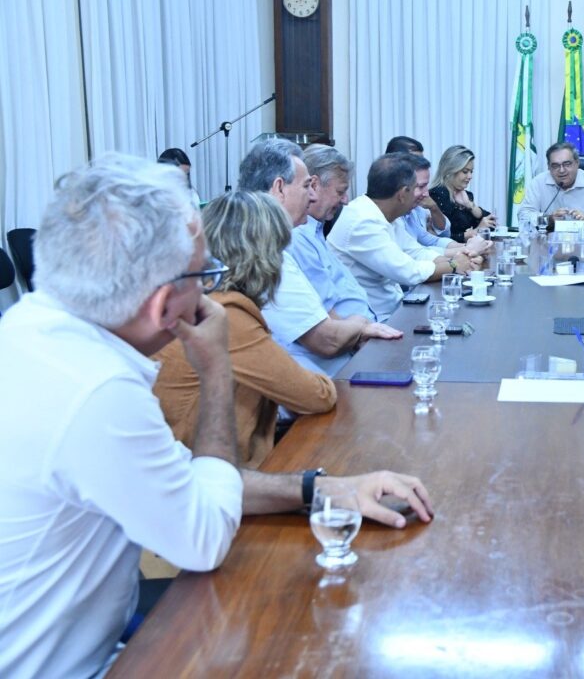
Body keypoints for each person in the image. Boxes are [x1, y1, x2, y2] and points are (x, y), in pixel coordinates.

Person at [0, 155, 433, 678]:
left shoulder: (30, 331)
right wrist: (217, 369)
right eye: (206, 275)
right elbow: (203, 538)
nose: (213, 289)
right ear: (166, 304)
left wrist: (317, 489)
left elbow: (184, 479)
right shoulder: (98, 390)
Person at [154, 190, 338, 467]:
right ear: (266, 255)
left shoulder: (207, 298)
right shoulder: (224, 312)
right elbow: (317, 396)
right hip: (211, 477)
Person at [238, 140, 401, 376]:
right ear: (279, 188)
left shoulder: (274, 243)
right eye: (306, 186)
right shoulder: (268, 251)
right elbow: (326, 341)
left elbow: (327, 318)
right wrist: (360, 325)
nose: (312, 196)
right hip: (318, 384)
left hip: (328, 372)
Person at [328, 153, 480, 317]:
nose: (424, 194)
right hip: (375, 321)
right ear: (402, 194)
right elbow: (410, 272)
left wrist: (463, 259)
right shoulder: (363, 221)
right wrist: (455, 265)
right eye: (417, 187)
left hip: (396, 308)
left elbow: (416, 251)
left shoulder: (387, 215)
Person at [516, 142, 584, 227]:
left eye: (567, 164)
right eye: (555, 166)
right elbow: (523, 216)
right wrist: (548, 219)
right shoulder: (538, 182)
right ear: (549, 167)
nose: (561, 170)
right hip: (548, 243)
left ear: (577, 163)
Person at [385, 136, 453, 243]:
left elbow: (443, 235)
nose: (420, 165)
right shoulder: (387, 207)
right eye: (415, 162)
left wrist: (434, 208)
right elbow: (412, 253)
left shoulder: (417, 200)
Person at [428, 145, 497, 242]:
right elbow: (440, 239)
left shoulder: (465, 195)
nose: (470, 176)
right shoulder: (438, 194)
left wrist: (471, 206)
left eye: (471, 171)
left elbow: (491, 223)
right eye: (465, 172)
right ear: (449, 171)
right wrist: (478, 230)